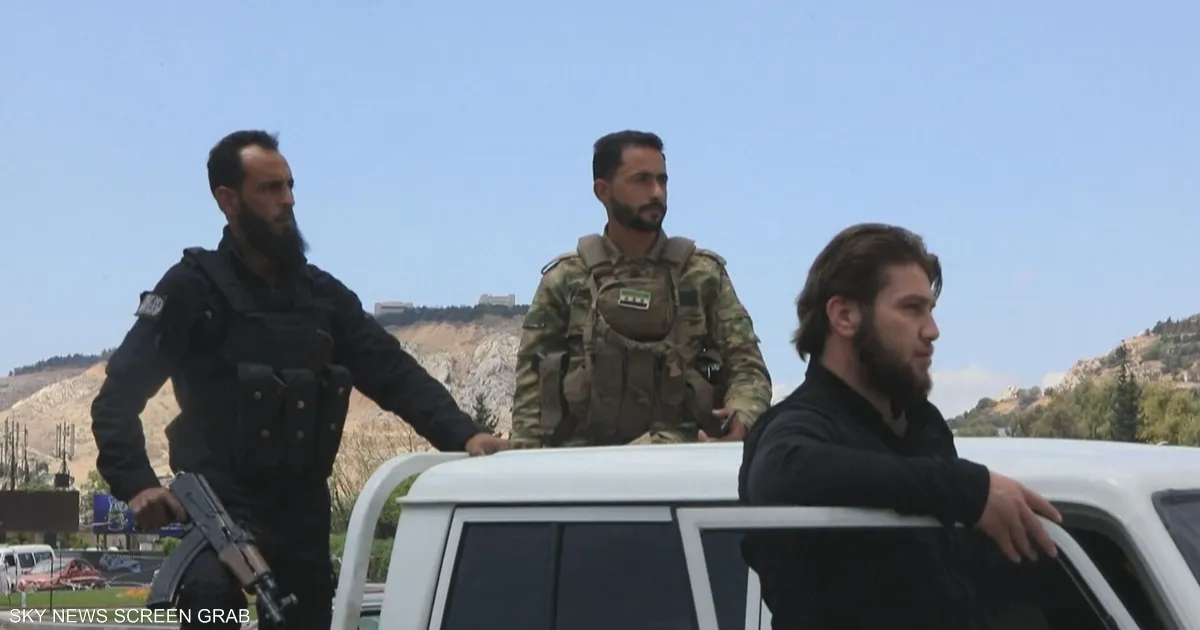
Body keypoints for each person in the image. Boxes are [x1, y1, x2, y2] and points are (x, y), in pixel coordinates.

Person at [89, 130, 508, 630]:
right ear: (228, 200)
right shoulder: (192, 288)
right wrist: (137, 483)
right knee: (207, 595)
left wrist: (464, 434)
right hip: (219, 505)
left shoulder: (322, 295)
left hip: (301, 511)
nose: (287, 200)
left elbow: (393, 373)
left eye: (289, 186)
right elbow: (117, 396)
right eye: (269, 189)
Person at [738, 223, 1062, 630]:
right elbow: (782, 473)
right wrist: (964, 487)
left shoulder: (921, 425)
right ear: (844, 316)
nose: (932, 331)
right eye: (911, 309)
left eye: (930, 310)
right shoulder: (798, 426)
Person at [510, 130, 772, 448]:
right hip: (582, 463)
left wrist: (741, 418)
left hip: (682, 457)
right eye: (642, 180)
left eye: (662, 180)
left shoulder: (702, 275)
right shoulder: (566, 280)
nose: (657, 192)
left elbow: (747, 366)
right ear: (602, 190)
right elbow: (532, 388)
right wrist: (524, 457)